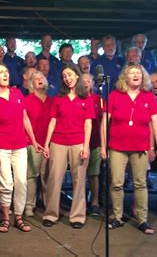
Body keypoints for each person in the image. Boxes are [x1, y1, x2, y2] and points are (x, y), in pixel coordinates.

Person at [101, 62, 157, 235]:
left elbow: (156, 123)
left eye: (139, 72)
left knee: (140, 184)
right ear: (125, 77)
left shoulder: (148, 97)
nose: (136, 75)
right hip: (117, 146)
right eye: (132, 73)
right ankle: (117, 217)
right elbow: (104, 123)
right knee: (116, 183)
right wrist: (103, 146)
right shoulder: (114, 95)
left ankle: (143, 220)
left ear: (143, 77)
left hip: (140, 147)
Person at [0, 62, 42, 232]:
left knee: (21, 181)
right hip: (1, 147)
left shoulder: (17, 93)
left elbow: (25, 119)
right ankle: (5, 218)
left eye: (7, 71)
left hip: (19, 146)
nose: (5, 74)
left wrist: (34, 140)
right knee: (6, 183)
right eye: (1, 72)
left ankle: (18, 216)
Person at [42, 64, 94, 229]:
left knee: (79, 180)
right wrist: (46, 144)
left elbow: (88, 124)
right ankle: (51, 214)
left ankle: (77, 216)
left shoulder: (86, 98)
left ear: (77, 76)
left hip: (78, 142)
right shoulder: (58, 98)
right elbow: (52, 122)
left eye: (70, 75)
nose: (67, 78)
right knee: (54, 178)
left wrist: (86, 146)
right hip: (58, 142)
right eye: (64, 76)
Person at [23, 70, 53, 217]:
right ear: (31, 83)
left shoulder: (51, 101)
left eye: (42, 78)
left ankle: (49, 205)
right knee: (32, 175)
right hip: (32, 143)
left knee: (47, 175)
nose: (40, 80)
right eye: (36, 79)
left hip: (49, 143)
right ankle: (29, 205)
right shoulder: (26, 100)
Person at [82, 73, 103, 216]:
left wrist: (103, 143)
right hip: (79, 142)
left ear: (92, 83)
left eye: (88, 81)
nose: (85, 83)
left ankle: (94, 202)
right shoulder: (77, 98)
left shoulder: (98, 99)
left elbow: (102, 120)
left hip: (95, 141)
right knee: (81, 173)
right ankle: (81, 201)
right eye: (83, 81)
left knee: (94, 173)